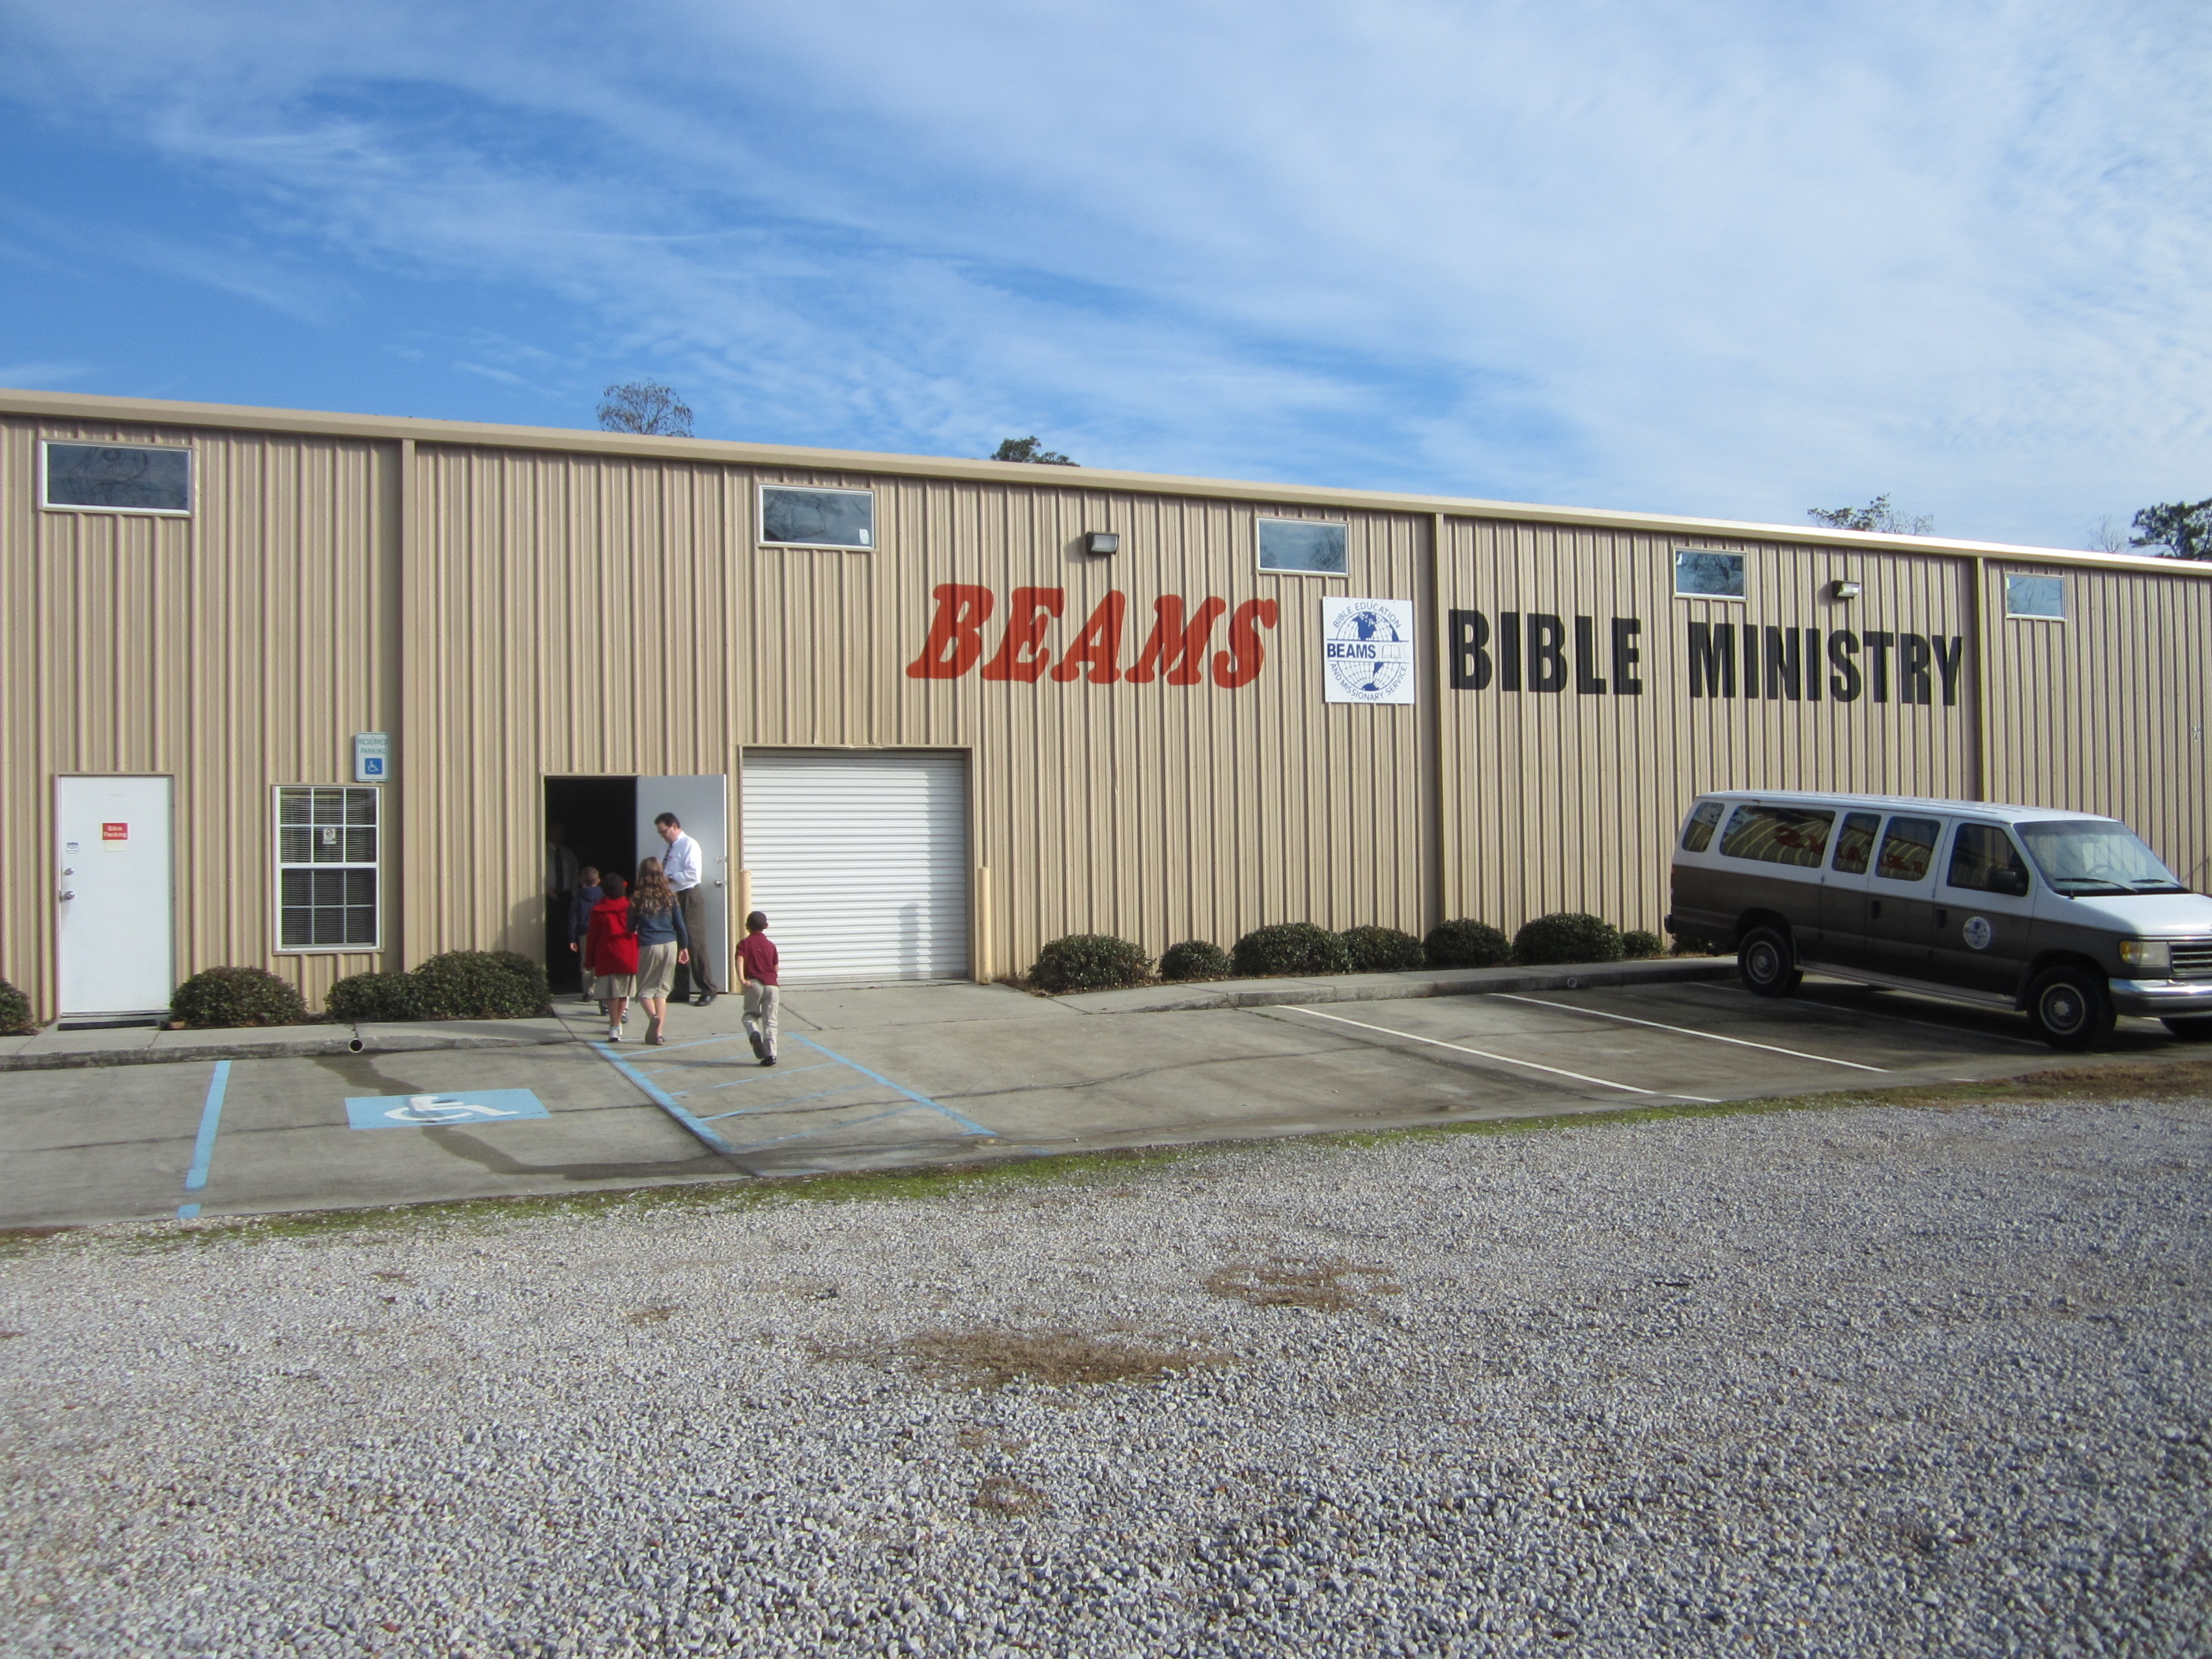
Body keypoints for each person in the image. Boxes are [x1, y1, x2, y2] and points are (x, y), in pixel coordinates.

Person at [653, 812, 719, 1006]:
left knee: (694, 941)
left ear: (674, 826)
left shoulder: (689, 844)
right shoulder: (664, 848)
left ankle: (708, 988)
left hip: (687, 894)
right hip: (669, 896)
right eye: (660, 833)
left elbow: (693, 874)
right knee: (676, 942)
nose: (662, 835)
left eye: (664, 831)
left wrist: (669, 878)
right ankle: (681, 989)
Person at [628, 857, 691, 1046]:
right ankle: (658, 1034)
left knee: (644, 991)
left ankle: (653, 1017)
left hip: (650, 944)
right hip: (670, 944)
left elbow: (630, 926)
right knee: (662, 991)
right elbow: (680, 925)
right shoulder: (670, 896)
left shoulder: (637, 898)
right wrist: (684, 947)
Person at [583, 873, 640, 1042]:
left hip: (607, 955)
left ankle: (614, 1025)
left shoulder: (598, 910)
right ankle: (618, 1023)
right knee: (624, 993)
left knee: (611, 994)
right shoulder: (631, 907)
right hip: (628, 954)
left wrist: (589, 962)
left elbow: (592, 938)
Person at [734, 909, 779, 1066]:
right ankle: (771, 1055)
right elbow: (776, 968)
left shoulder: (744, 944)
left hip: (754, 984)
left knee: (750, 1015)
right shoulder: (771, 946)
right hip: (772, 986)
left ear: (747, 926)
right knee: (770, 1021)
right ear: (766, 926)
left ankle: (754, 1033)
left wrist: (742, 979)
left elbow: (739, 961)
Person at [566, 864, 603, 1005]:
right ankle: (600, 988)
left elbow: (573, 918)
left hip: (584, 932)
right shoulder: (603, 895)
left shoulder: (579, 896)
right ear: (598, 881)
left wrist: (572, 938)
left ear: (581, 881)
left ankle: (588, 990)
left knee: (587, 961)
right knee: (600, 960)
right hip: (601, 931)